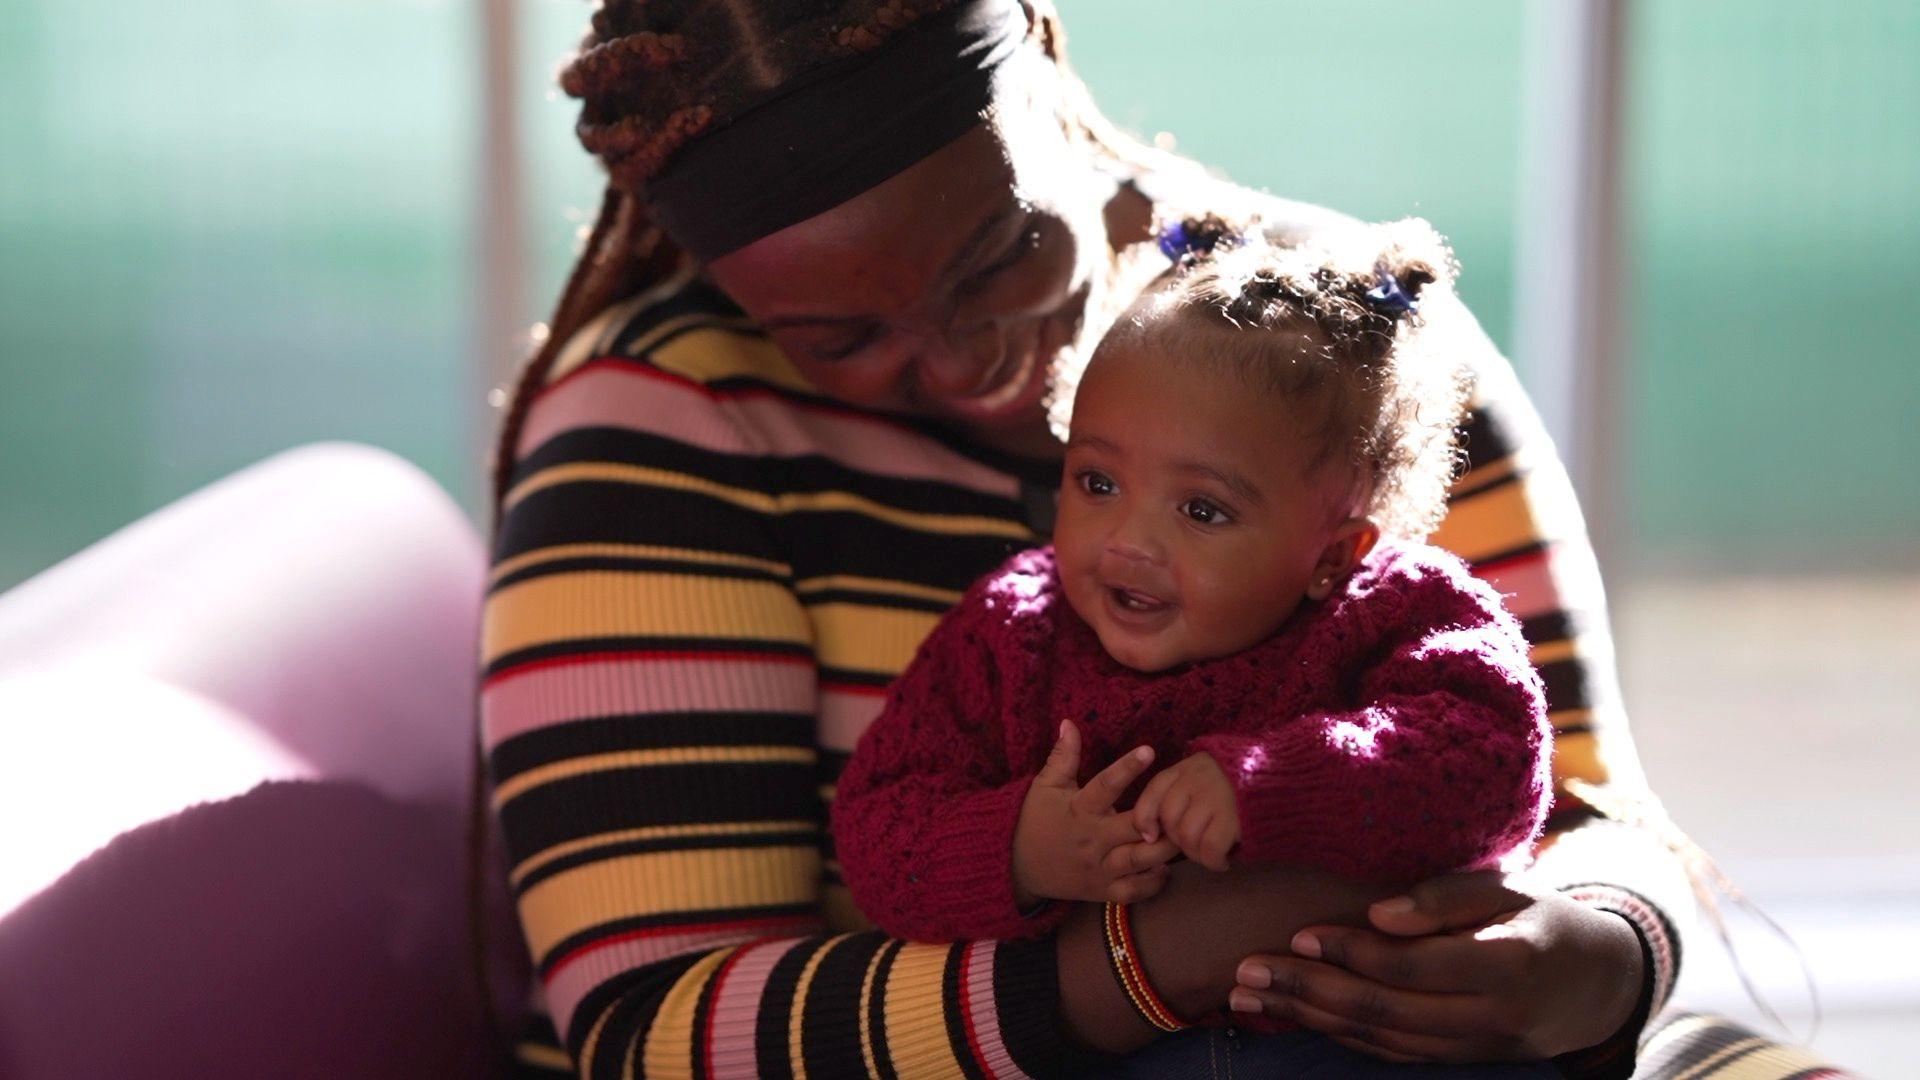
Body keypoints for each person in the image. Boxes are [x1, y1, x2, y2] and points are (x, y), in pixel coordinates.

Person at [477, 1, 1739, 1076]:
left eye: (997, 255)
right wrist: (1150, 963)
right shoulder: (658, 429)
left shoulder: (1348, 349)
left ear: (1042, 65)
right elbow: (651, 1033)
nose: (966, 367)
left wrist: (1603, 953)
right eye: (840, 339)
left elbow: (1585, 801)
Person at [829, 219, 1563, 1077]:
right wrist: (1019, 849)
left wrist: (1273, 783)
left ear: (1333, 554)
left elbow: (1491, 761)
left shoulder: (1400, 611)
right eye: (1098, 483)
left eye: (1201, 511)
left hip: (1385, 1047)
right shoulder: (1013, 629)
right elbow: (878, 829)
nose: (1127, 543)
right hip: (1117, 1050)